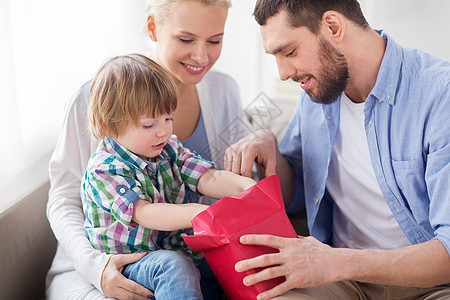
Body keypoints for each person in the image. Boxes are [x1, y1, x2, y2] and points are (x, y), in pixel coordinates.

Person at [224, 0, 450, 299]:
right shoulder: (318, 89)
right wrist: (271, 149)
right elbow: (300, 192)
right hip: (342, 279)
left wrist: (335, 262)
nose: (282, 72)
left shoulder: (439, 96)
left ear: (333, 26)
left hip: (430, 285)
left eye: (289, 52)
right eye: (275, 56)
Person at [46, 0, 251, 299]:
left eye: (215, 41)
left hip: (181, 250)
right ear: (154, 27)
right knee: (175, 268)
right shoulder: (96, 99)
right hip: (107, 263)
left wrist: (250, 187)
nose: (201, 55)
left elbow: (212, 176)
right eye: (185, 39)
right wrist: (97, 267)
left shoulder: (221, 93)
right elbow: (63, 200)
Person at [82, 54, 256, 299]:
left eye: (168, 118)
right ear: (109, 125)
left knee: (225, 259)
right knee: (173, 266)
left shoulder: (168, 148)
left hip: (174, 248)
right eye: (148, 124)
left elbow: (206, 177)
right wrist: (197, 213)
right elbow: (145, 213)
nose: (163, 130)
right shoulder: (105, 169)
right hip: (132, 262)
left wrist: (246, 188)